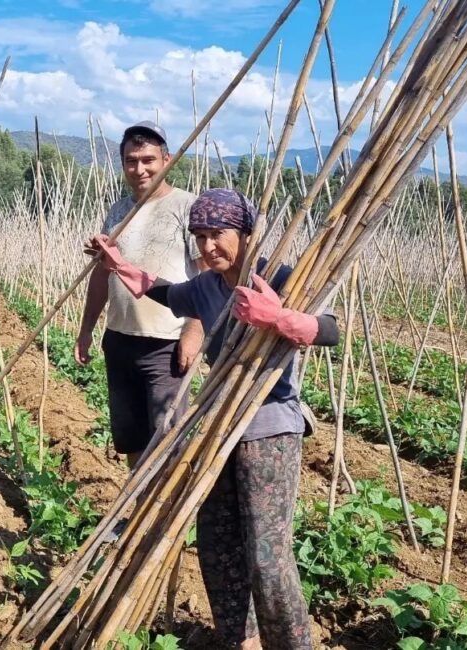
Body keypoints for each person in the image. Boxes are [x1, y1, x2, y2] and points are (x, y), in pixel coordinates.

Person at [86, 188, 339, 650]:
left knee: (268, 553)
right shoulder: (206, 287)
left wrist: (279, 318)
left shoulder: (281, 277)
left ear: (246, 234)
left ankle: (292, 644)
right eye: (199, 236)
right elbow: (161, 291)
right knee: (218, 545)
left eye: (217, 235)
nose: (207, 247)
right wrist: (117, 263)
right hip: (218, 429)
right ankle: (240, 640)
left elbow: (331, 328)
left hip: (269, 427)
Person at [75, 120, 205, 468]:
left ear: (166, 160)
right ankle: (135, 512)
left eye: (148, 159)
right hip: (120, 339)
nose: (140, 168)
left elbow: (207, 278)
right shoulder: (118, 212)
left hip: (167, 343)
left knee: (167, 436)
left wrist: (194, 331)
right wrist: (87, 328)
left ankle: (165, 516)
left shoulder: (188, 208)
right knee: (131, 435)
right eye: (132, 161)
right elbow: (103, 274)